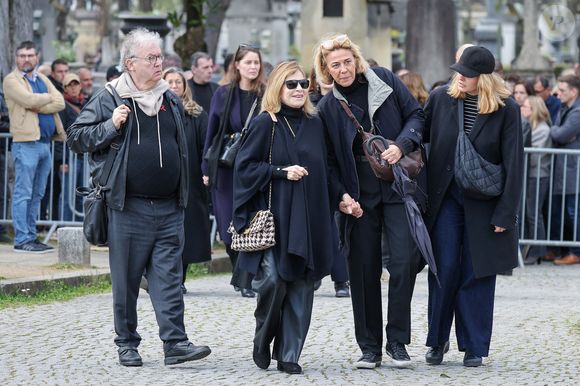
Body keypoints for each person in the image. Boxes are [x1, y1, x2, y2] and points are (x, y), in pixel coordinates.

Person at [66, 28, 211, 367]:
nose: (159, 63)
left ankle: (175, 343)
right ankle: (127, 344)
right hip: (128, 206)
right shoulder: (110, 97)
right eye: (152, 58)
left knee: (170, 279)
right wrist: (110, 126)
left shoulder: (169, 98)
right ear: (130, 63)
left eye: (160, 57)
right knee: (127, 282)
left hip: (169, 207)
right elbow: (76, 137)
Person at [314, 33, 424, 369]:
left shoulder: (385, 81)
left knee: (404, 261)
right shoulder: (327, 107)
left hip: (395, 184)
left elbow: (417, 115)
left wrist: (402, 145)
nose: (343, 69)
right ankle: (370, 346)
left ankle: (398, 342)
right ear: (326, 69)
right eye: (336, 65)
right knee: (362, 269)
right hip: (358, 192)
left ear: (356, 60)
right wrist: (342, 196)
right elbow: (328, 161)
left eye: (347, 61)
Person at [232, 61, 335, 374]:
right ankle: (262, 340)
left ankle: (289, 353)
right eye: (292, 84)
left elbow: (328, 168)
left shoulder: (316, 123)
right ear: (278, 86)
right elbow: (244, 167)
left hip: (310, 215)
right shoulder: (267, 123)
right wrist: (280, 172)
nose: (299, 90)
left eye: (304, 84)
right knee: (274, 281)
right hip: (277, 220)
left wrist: (342, 197)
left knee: (303, 286)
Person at [423, 46, 523, 367]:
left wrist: (506, 213)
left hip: (485, 202)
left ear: (485, 79)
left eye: (467, 74)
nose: (460, 78)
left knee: (477, 273)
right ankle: (437, 341)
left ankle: (474, 346)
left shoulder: (506, 109)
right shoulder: (441, 99)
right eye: (458, 72)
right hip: (446, 198)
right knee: (445, 268)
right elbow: (419, 134)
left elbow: (514, 163)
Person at [202, 44, 265, 298]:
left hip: (254, 167)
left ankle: (246, 278)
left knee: (251, 223)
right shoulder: (223, 93)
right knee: (228, 225)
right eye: (248, 62)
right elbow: (212, 133)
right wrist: (206, 167)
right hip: (227, 167)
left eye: (256, 63)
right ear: (237, 65)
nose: (253, 67)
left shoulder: (265, 93)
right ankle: (238, 270)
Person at [3, 41, 66, 253]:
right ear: (16, 58)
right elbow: (28, 100)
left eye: (30, 55)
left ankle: (32, 236)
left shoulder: (42, 78)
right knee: (23, 193)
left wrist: (39, 103)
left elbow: (61, 102)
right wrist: (45, 99)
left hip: (45, 144)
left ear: (36, 57)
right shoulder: (11, 81)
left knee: (38, 193)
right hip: (26, 144)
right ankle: (22, 239)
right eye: (22, 55)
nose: (26, 59)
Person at [162, 67, 211, 293]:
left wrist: (206, 170)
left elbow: (206, 147)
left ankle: (179, 279)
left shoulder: (196, 114)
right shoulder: (155, 111)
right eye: (169, 82)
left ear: (184, 86)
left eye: (177, 82)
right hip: (163, 180)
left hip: (190, 179)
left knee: (187, 230)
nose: (174, 86)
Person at [307, 71, 350, 298]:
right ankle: (316, 273)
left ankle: (341, 279)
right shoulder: (309, 101)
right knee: (323, 224)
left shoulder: (343, 101)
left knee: (337, 226)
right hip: (316, 169)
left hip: (337, 168)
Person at [549, 74, 580, 265]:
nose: (558, 94)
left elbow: (560, 134)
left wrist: (554, 131)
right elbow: (559, 133)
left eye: (562, 90)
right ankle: (569, 250)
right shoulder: (565, 108)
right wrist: (557, 131)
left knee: (573, 212)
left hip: (573, 170)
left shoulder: (577, 112)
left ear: (574, 91)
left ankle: (575, 252)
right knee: (568, 212)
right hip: (567, 170)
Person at [520, 95, 552, 265]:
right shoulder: (531, 127)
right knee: (530, 213)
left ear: (534, 110)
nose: (522, 110)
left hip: (538, 175)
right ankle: (532, 249)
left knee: (534, 214)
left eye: (526, 107)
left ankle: (538, 250)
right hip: (531, 175)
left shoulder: (542, 130)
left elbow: (532, 155)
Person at [58, 73, 86, 221]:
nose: (74, 88)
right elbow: (60, 134)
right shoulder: (62, 105)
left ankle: (81, 227)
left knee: (83, 193)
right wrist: (63, 160)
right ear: (65, 88)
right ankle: (64, 225)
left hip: (84, 155)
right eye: (70, 85)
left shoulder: (85, 103)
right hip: (69, 156)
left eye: (76, 84)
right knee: (67, 194)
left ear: (80, 86)